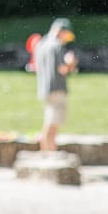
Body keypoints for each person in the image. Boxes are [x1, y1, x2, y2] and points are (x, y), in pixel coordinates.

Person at [33, 18, 77, 152]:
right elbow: (62, 69)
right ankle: (49, 154)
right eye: (66, 34)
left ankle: (49, 153)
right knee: (52, 125)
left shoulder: (40, 44)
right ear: (60, 32)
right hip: (56, 88)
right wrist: (72, 63)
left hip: (44, 88)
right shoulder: (56, 45)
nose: (66, 38)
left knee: (50, 121)